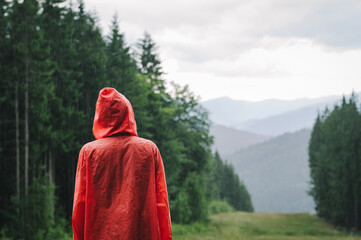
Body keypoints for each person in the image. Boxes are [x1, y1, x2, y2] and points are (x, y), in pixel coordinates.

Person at [72, 88, 172, 240]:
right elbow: (161, 204)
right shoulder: (149, 149)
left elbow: (80, 204)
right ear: (128, 113)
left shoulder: (88, 152)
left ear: (100, 116)